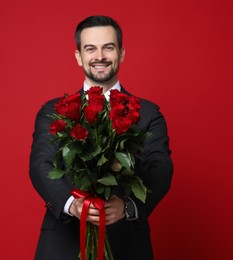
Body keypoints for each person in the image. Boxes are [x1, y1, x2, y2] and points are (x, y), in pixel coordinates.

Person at [29, 15, 173, 260]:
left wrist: (127, 207)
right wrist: (71, 205)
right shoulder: (53, 111)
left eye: (108, 47)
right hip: (63, 243)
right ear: (79, 56)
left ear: (121, 53)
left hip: (126, 244)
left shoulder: (149, 114)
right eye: (90, 49)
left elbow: (159, 169)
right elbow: (41, 165)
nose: (99, 56)